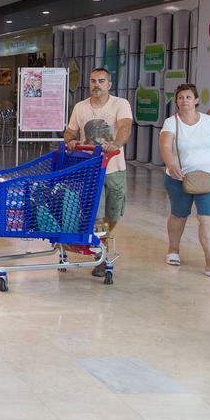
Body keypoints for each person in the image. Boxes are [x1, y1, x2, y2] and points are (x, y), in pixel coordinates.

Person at [63, 67, 132, 277]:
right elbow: (70, 131)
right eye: (93, 81)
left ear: (109, 84)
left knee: (113, 211)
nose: (96, 85)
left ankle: (99, 240)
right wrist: (71, 141)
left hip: (114, 168)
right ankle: (100, 253)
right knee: (94, 212)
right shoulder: (80, 107)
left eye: (101, 81)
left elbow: (124, 126)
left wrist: (117, 143)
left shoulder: (121, 104)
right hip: (90, 169)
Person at [159, 84, 210, 279]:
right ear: (176, 101)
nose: (184, 100)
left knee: (208, 218)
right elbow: (165, 146)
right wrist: (170, 163)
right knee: (179, 215)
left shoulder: (208, 121)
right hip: (179, 178)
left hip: (208, 177)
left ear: (196, 100)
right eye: (180, 97)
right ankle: (173, 249)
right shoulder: (171, 123)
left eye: (188, 97)